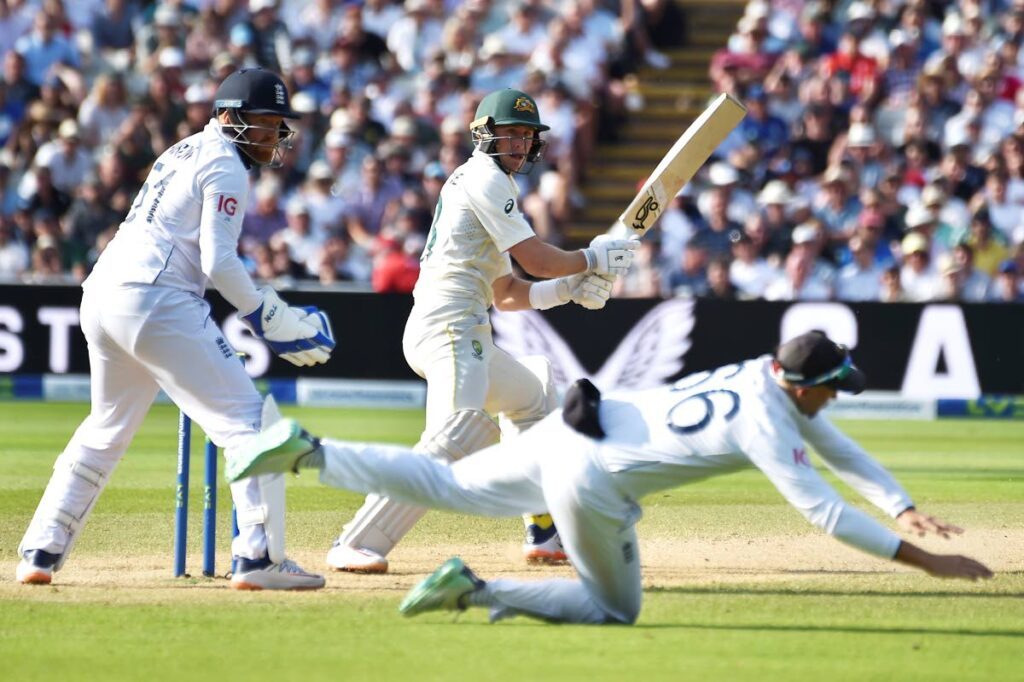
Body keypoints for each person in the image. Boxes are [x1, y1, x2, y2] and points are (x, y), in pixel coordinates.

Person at [228, 330, 993, 624]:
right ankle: (476, 590)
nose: (834, 398)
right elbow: (824, 513)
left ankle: (309, 451)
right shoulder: (770, 417)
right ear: (798, 384)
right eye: (832, 385)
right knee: (615, 609)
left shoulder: (761, 376)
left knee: (449, 484)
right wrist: (930, 562)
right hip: (592, 478)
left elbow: (835, 441)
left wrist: (901, 503)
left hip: (574, 423)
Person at [16, 69, 335, 591]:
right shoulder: (226, 165)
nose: (272, 137)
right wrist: (266, 316)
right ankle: (258, 558)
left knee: (105, 428)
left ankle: (41, 549)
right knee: (248, 422)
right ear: (229, 118)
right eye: (262, 124)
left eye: (279, 125)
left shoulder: (184, 149)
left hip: (102, 291)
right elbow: (219, 261)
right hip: (157, 297)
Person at [324, 87, 637, 574]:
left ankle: (544, 528)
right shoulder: (484, 179)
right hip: (448, 327)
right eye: (509, 134)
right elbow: (536, 258)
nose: (518, 145)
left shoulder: (491, 186)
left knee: (533, 390)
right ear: (483, 134)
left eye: (526, 137)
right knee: (455, 435)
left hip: (464, 329)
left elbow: (508, 292)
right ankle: (357, 540)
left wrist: (570, 288)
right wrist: (592, 258)